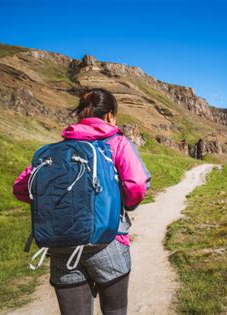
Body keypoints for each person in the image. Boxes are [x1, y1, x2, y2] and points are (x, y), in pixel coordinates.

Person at [12, 88, 151, 315]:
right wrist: (124, 204)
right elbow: (135, 185)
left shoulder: (55, 151)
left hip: (60, 245)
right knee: (115, 310)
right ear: (110, 116)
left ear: (80, 116)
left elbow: (20, 188)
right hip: (108, 241)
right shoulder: (117, 143)